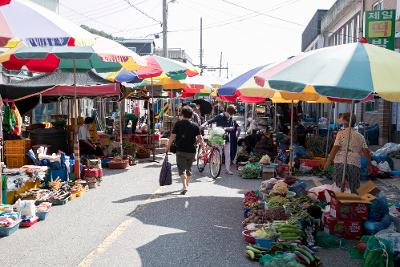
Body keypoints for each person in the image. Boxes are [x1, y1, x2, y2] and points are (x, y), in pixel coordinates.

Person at [324, 113, 371, 193]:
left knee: (339, 186)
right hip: (354, 163)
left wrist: (327, 163)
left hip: (340, 162)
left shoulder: (340, 133)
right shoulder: (360, 136)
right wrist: (369, 165)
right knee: (353, 187)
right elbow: (366, 152)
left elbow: (335, 148)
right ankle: (352, 202)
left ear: (344, 122)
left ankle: (340, 202)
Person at [167, 106, 204, 195]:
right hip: (191, 151)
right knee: (189, 169)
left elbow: (172, 136)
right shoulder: (195, 125)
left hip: (180, 150)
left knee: (181, 169)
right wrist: (204, 148)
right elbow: (200, 138)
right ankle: (186, 185)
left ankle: (184, 186)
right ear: (191, 115)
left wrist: (167, 147)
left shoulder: (178, 124)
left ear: (182, 114)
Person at [201, 104, 237, 175]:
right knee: (218, 153)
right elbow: (210, 121)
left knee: (227, 154)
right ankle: (215, 167)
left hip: (226, 137)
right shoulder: (220, 116)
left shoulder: (230, 118)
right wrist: (203, 125)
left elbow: (232, 127)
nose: (231, 115)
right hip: (218, 137)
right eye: (231, 114)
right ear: (228, 112)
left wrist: (227, 128)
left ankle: (227, 169)